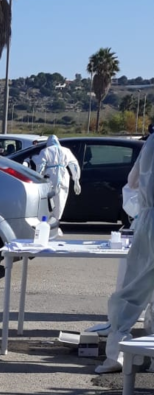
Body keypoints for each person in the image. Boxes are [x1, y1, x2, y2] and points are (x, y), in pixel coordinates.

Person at [97, 137, 154, 373]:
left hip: (149, 222)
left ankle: (116, 354)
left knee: (133, 289)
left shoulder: (151, 142)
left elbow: (132, 181)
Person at [31, 135, 81, 222]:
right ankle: (57, 220)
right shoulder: (66, 151)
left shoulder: (45, 151)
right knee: (61, 199)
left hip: (50, 175)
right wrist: (76, 180)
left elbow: (40, 166)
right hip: (64, 176)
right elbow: (74, 165)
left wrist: (38, 178)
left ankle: (49, 220)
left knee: (49, 200)